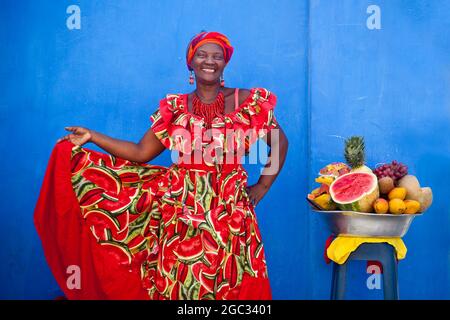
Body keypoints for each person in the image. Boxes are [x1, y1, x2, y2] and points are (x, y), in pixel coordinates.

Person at [34, 31, 288, 300]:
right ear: (190, 63)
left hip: (231, 213)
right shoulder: (176, 108)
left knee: (231, 283)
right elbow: (141, 152)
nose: (209, 61)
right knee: (183, 284)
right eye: (201, 55)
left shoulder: (246, 102)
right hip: (180, 212)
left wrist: (263, 185)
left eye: (217, 56)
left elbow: (279, 143)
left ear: (225, 62)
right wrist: (92, 136)